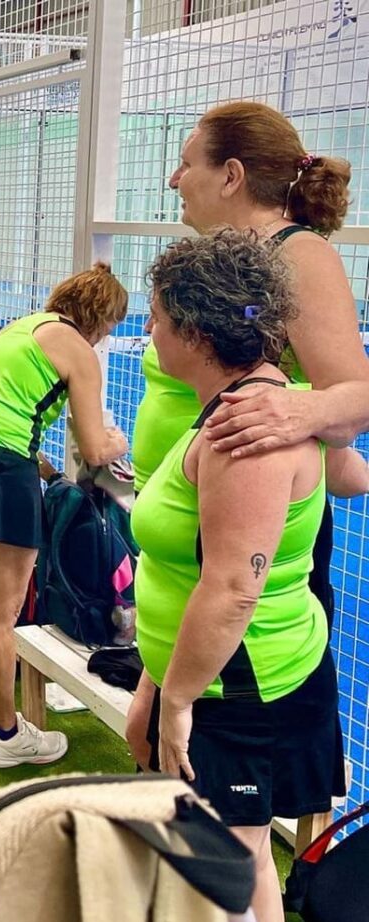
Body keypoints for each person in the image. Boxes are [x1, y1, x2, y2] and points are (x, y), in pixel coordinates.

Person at [125, 230, 367, 922]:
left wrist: (177, 697)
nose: (149, 331)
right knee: (228, 852)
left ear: (195, 332)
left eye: (159, 318)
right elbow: (191, 569)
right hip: (217, 675)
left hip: (242, 684)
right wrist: (154, 675)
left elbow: (231, 589)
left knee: (236, 856)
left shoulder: (247, 431)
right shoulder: (246, 402)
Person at [135, 101, 368, 629]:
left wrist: (297, 412)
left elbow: (359, 392)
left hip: (248, 526)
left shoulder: (299, 254)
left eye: (187, 164)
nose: (175, 180)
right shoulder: (220, 260)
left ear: (231, 176)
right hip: (185, 521)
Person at [0, 264, 129, 768]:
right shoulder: (80, 352)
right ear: (101, 318)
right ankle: (6, 734)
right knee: (2, 612)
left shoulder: (22, 328)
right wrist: (120, 442)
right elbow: (95, 447)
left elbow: (0, 407)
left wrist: (39, 464)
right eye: (111, 325)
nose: (107, 336)